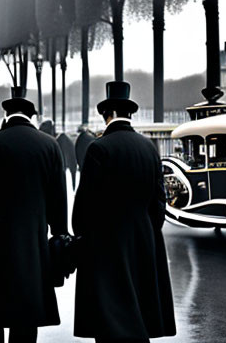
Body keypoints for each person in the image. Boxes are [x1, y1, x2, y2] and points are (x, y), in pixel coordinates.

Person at [72, 81, 175, 343]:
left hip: (107, 242)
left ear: (107, 114)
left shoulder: (99, 148)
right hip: (143, 239)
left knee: (110, 319)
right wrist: (147, 230)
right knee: (139, 311)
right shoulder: (149, 148)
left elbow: (85, 204)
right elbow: (159, 202)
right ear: (129, 114)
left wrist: (82, 235)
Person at [0, 89, 68, 343]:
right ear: (31, 115)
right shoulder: (49, 145)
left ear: (6, 114)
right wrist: (58, 234)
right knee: (27, 316)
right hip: (33, 241)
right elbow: (58, 199)